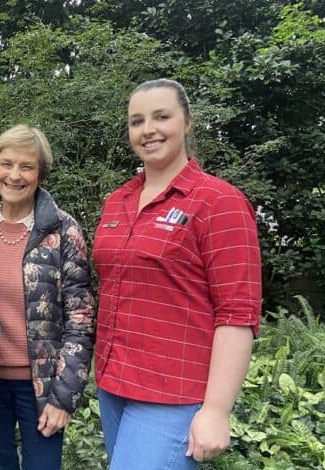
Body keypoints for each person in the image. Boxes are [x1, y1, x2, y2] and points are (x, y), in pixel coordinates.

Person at [92, 78, 262, 468]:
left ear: (187, 122)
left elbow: (237, 314)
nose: (148, 129)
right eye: (137, 121)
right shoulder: (117, 201)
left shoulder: (220, 202)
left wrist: (216, 409)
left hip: (174, 394)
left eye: (161, 117)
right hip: (113, 384)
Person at [0, 124, 96, 469]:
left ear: (40, 173)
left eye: (26, 166)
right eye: (6, 164)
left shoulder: (63, 230)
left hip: (43, 383)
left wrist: (64, 396)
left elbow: (80, 318)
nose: (14, 175)